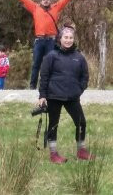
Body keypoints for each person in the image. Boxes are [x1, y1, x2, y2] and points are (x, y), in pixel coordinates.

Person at [7, 0, 81, 88]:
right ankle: (32, 86)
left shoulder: (55, 7)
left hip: (51, 41)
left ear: (50, 1)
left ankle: (48, 85)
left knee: (50, 64)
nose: (46, 1)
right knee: (36, 64)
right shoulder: (35, 8)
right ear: (41, 1)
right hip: (39, 40)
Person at [37, 24, 91, 163]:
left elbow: (85, 76)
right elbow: (44, 76)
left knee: (81, 123)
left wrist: (79, 89)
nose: (68, 40)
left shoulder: (79, 57)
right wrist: (42, 96)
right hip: (54, 96)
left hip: (72, 97)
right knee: (53, 125)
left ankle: (81, 150)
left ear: (74, 39)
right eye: (65, 37)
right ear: (60, 39)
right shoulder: (51, 56)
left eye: (71, 37)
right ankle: (53, 154)